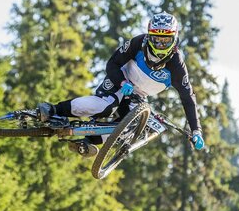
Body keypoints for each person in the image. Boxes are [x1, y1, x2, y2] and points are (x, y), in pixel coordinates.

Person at [37, 11, 204, 157]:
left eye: (165, 41)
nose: (160, 46)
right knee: (106, 105)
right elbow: (112, 63)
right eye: (156, 39)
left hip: (138, 97)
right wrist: (123, 82)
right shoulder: (138, 43)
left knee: (135, 129)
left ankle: (87, 142)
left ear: (174, 40)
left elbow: (188, 98)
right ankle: (53, 109)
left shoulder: (177, 66)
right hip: (120, 80)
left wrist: (196, 130)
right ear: (148, 36)